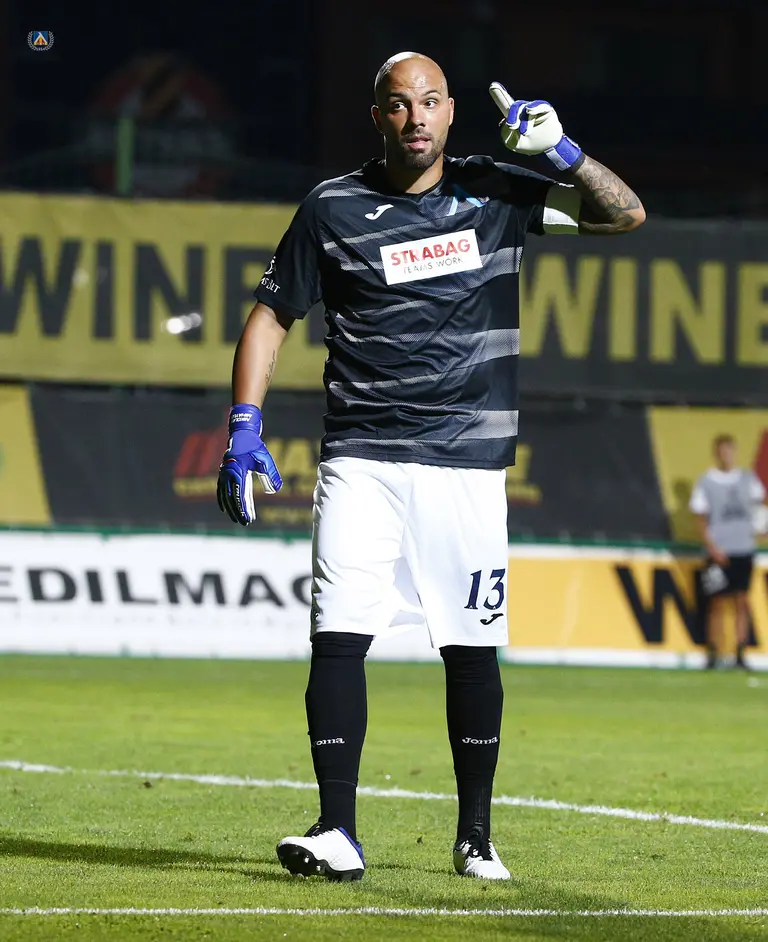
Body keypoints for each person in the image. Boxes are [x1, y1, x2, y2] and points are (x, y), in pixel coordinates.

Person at [217, 52, 645, 882]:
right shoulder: (331, 206)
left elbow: (623, 215)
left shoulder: (497, 192)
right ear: (377, 116)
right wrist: (244, 424)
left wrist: (565, 155)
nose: (416, 116)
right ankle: (337, 831)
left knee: (471, 647)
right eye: (398, 103)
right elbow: (270, 317)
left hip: (468, 462)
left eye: (431, 101)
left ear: (451, 112)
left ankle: (475, 837)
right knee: (337, 636)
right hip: (361, 456)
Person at [690, 434, 766, 670]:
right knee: (716, 601)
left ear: (735, 452)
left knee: (742, 600)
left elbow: (760, 506)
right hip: (719, 551)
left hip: (743, 548)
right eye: (722, 451)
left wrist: (760, 530)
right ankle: (713, 652)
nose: (726, 455)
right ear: (716, 454)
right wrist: (712, 547)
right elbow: (700, 517)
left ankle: (740, 653)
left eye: (729, 451)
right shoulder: (706, 481)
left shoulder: (748, 479)